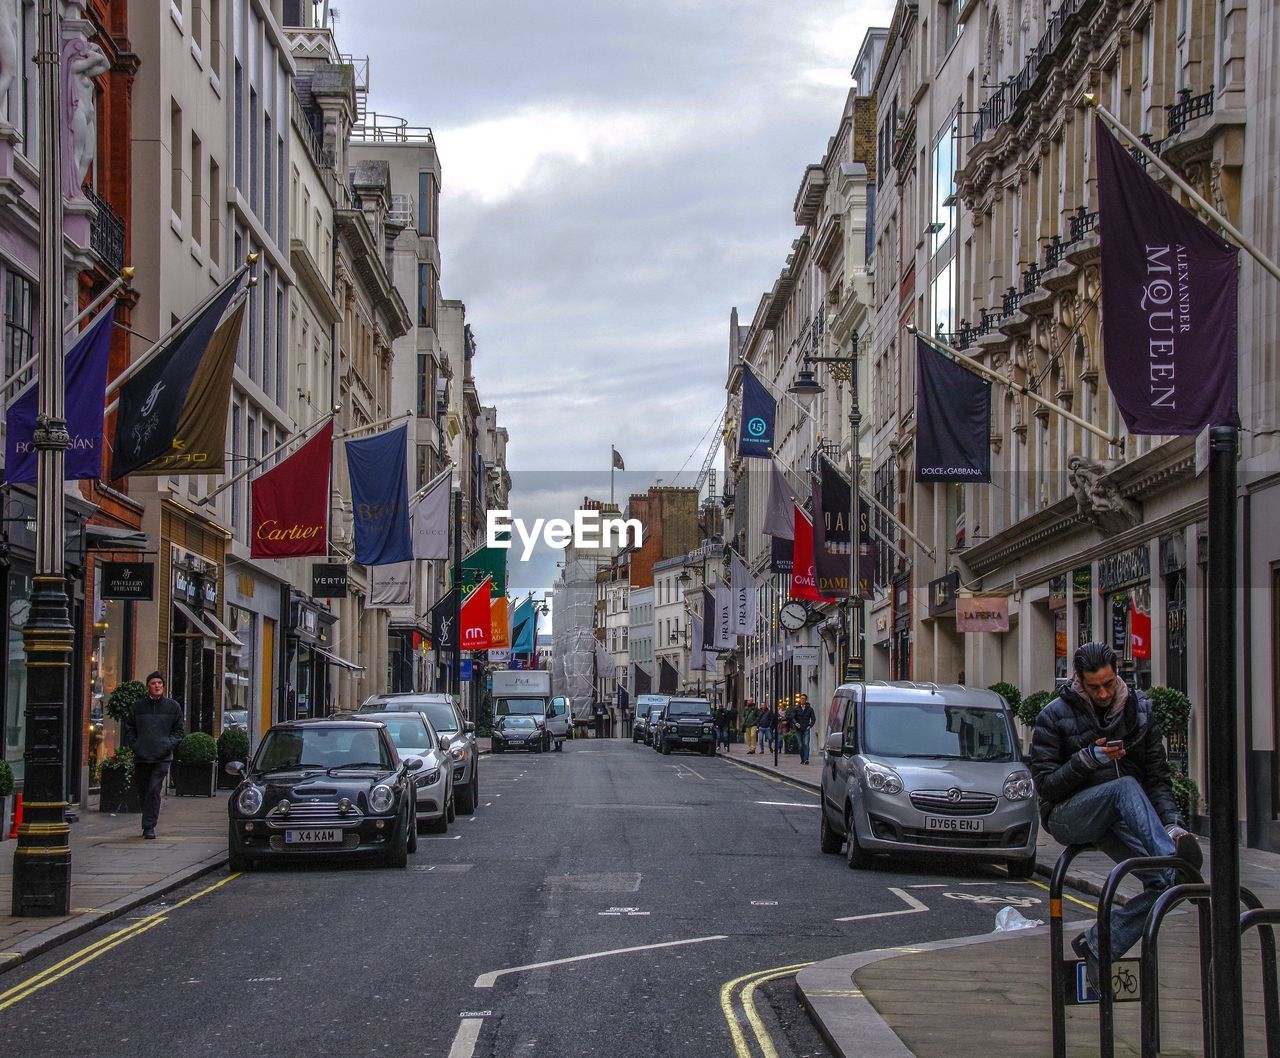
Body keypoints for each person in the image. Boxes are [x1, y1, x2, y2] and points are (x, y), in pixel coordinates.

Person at [1030, 642, 1201, 993]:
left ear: (1117, 674)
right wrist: (1087, 760)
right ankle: (1173, 861)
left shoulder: (1140, 713)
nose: (1104, 692)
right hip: (1068, 815)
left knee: (1168, 887)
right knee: (1124, 787)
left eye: (1109, 683)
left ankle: (1099, 944)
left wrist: (1172, 824)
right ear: (1079, 681)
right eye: (1095, 687)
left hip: (1118, 818)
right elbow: (1045, 786)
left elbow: (1157, 779)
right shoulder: (1054, 714)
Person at [123, 671, 185, 840]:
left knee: (153, 790)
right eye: (153, 683)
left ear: (163, 686)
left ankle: (149, 826)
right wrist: (136, 746)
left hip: (162, 757)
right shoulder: (137, 707)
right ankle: (148, 818)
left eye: (159, 683)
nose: (157, 686)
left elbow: (179, 731)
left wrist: (168, 745)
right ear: (147, 687)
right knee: (143, 791)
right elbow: (129, 729)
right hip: (142, 756)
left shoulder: (173, 707)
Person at [791, 693, 817, 765]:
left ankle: (806, 759)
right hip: (798, 729)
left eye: (803, 699)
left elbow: (813, 719)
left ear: (806, 700)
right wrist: (796, 723)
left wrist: (810, 726)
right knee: (800, 745)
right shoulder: (796, 708)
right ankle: (802, 759)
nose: (802, 700)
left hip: (806, 728)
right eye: (801, 698)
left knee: (806, 744)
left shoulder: (810, 709)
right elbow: (792, 717)